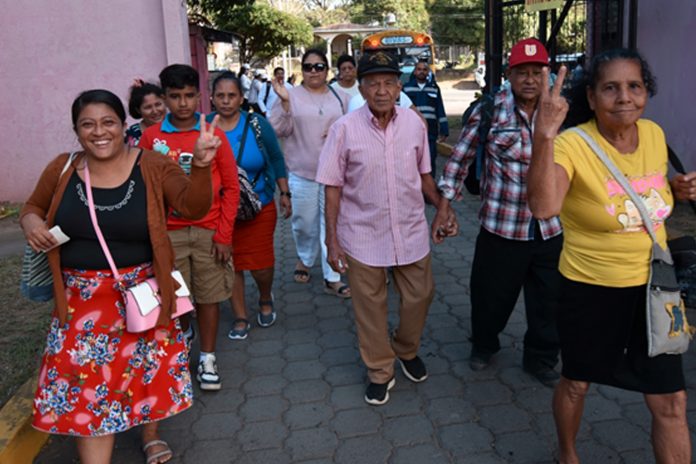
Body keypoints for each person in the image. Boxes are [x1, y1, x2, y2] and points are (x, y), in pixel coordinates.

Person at [21, 89, 218, 463]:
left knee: (143, 377)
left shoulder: (153, 166)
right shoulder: (62, 168)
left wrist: (203, 165)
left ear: (123, 125)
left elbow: (193, 207)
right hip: (80, 306)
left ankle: (149, 434)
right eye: (88, 124)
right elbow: (33, 206)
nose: (99, 132)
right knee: (89, 389)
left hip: (143, 294)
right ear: (77, 131)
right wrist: (31, 222)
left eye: (108, 122)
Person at [528, 49, 693, 464]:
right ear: (592, 95)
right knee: (577, 384)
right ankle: (567, 454)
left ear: (646, 92)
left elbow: (642, 195)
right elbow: (544, 206)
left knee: (671, 402)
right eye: (611, 88)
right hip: (590, 292)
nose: (624, 97)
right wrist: (544, 136)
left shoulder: (654, 134)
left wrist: (677, 192)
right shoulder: (571, 144)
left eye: (634, 86)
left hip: (656, 292)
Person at [317, 51, 458, 405]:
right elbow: (332, 186)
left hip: (410, 229)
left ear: (399, 87)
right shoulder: (343, 130)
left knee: (420, 296)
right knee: (370, 307)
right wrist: (331, 240)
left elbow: (425, 177)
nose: (381, 90)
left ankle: (405, 348)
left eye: (388, 82)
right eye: (373, 83)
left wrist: (443, 207)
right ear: (361, 89)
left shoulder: (414, 125)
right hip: (362, 234)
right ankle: (380, 369)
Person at [437, 38, 562, 386]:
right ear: (509, 74)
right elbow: (460, 157)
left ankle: (541, 358)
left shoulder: (561, 110)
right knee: (490, 296)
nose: (530, 80)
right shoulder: (490, 109)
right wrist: (444, 206)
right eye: (522, 72)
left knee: (548, 302)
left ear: (546, 74)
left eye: (537, 72)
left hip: (549, 228)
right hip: (501, 228)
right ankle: (484, 345)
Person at [139, 64, 240, 392]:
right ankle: (184, 335)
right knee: (177, 296)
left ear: (200, 96)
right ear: (164, 99)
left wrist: (224, 235)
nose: (183, 103)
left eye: (189, 96)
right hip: (169, 232)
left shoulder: (213, 134)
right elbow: (145, 189)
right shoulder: (152, 138)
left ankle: (207, 357)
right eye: (175, 96)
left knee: (209, 297)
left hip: (209, 231)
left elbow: (231, 188)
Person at [208, 72, 291, 340]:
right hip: (220, 211)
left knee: (260, 265)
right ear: (211, 98)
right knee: (230, 263)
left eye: (232, 95)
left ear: (241, 98)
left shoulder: (256, 124)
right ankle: (241, 315)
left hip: (259, 205)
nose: (226, 101)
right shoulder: (205, 126)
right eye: (220, 95)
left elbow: (276, 158)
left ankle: (265, 296)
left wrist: (284, 192)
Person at [269, 48, 351, 298]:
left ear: (327, 70)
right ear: (301, 70)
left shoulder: (340, 98)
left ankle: (332, 275)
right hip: (302, 173)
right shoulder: (290, 96)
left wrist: (340, 133)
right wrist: (284, 103)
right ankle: (305, 258)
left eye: (319, 66)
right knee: (304, 225)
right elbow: (277, 131)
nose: (314, 71)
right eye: (308, 66)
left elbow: (353, 128)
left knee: (332, 225)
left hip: (334, 175)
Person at [403, 59, 449, 175]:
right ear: (414, 72)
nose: (421, 72)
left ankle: (430, 187)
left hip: (430, 132)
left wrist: (444, 130)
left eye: (424, 70)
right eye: (419, 69)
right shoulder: (406, 88)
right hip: (410, 132)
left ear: (428, 72)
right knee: (412, 161)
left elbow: (440, 109)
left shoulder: (434, 88)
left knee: (430, 160)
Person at [125, 79, 166, 147]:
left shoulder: (179, 126)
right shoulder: (132, 135)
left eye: (158, 104)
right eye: (148, 107)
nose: (155, 111)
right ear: (138, 110)